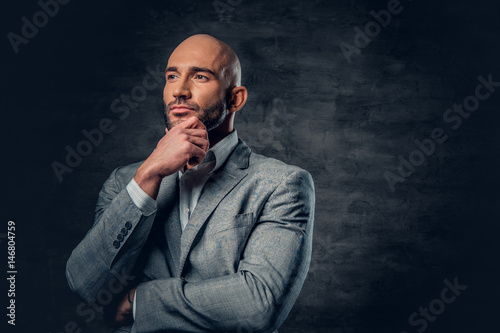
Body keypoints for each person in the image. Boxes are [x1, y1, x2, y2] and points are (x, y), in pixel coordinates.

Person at [66, 34, 315, 333]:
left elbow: (260, 305)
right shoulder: (125, 182)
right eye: (172, 76)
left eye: (200, 76)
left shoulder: (281, 184)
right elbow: (85, 282)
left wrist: (139, 302)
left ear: (235, 98)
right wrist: (148, 175)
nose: (180, 91)